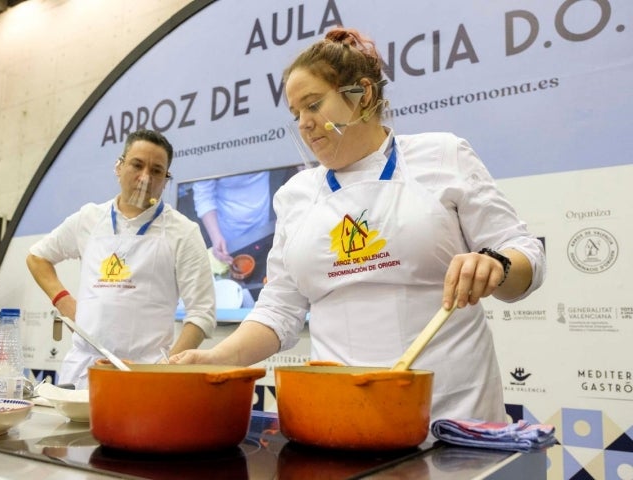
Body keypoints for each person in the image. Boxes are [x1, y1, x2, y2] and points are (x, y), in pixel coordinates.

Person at [170, 28, 546, 423]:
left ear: (363, 94)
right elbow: (279, 310)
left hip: (452, 418)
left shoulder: (443, 155)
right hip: (340, 419)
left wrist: (497, 265)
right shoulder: (297, 194)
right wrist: (214, 358)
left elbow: (526, 256)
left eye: (313, 105)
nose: (304, 124)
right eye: (296, 114)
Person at [27, 129, 216, 389]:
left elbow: (202, 316)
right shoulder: (89, 218)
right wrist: (63, 301)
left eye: (157, 171)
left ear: (166, 179)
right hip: (83, 373)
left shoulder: (183, 232)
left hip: (145, 375)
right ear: (119, 166)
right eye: (137, 165)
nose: (145, 178)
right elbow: (37, 257)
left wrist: (166, 368)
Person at [192, 171, 271, 264]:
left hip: (263, 218)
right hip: (230, 228)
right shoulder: (208, 159)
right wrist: (215, 237)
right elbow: (203, 196)